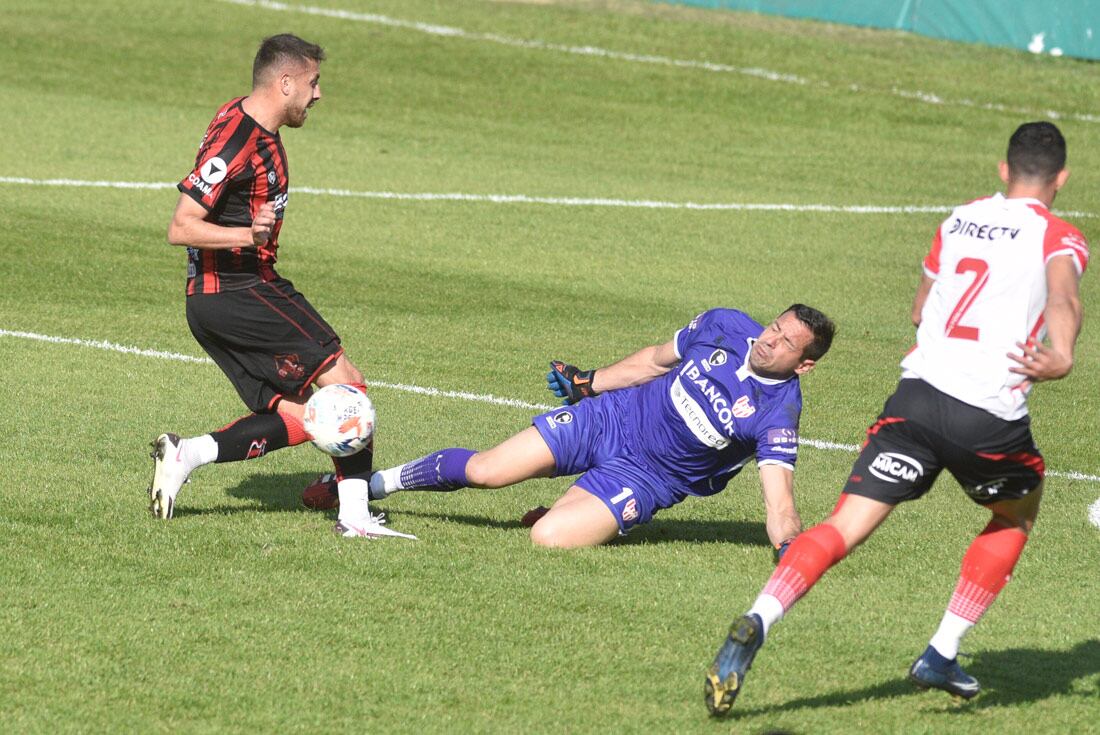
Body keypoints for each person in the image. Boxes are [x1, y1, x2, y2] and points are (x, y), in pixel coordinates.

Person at [704, 121, 1089, 716]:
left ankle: (759, 615)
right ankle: (942, 649)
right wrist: (1060, 353)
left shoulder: (958, 220)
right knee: (1016, 511)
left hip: (914, 399)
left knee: (841, 527)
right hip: (987, 412)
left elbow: (919, 309)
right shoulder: (1059, 235)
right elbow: (1063, 296)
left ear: (1002, 169)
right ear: (1061, 177)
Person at [148, 34, 409, 539]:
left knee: (305, 414)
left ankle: (187, 454)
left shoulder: (244, 121)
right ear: (284, 82)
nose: (318, 95)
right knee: (346, 382)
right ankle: (354, 517)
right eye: (312, 83)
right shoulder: (238, 141)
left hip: (216, 301)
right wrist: (250, 233)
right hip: (240, 289)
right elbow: (180, 226)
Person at [368, 305, 835, 549]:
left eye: (785, 342)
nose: (769, 340)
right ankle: (370, 485)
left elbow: (779, 501)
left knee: (547, 538)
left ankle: (567, 513)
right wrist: (589, 383)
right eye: (775, 326)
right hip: (610, 418)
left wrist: (791, 549)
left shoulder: (778, 414)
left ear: (805, 365)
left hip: (648, 479)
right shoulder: (725, 326)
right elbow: (654, 361)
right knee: (485, 471)